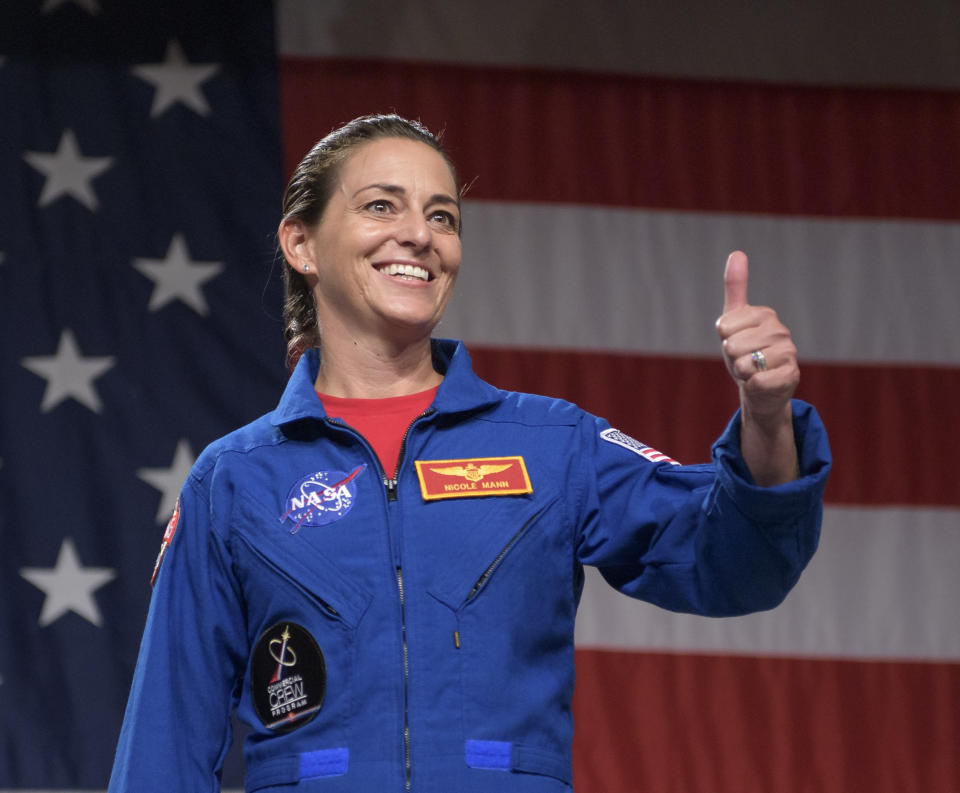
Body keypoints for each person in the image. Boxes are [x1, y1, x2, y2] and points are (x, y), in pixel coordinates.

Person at [108, 114, 830, 793]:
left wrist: (764, 417)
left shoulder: (552, 445)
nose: (420, 235)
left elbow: (740, 565)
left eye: (442, 215)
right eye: (382, 206)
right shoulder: (234, 481)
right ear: (301, 244)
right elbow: (162, 750)